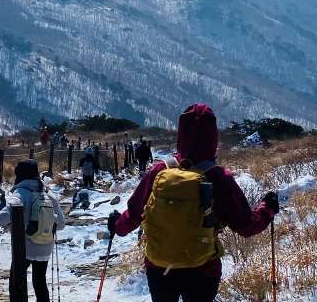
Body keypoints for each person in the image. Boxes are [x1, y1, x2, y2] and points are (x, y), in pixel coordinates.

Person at [107, 104, 279, 302]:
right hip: (203, 268)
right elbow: (247, 226)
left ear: (181, 134)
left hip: (160, 267)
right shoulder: (219, 177)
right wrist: (267, 210)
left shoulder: (159, 171)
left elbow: (134, 215)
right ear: (213, 137)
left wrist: (117, 225)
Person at [0, 159, 66, 302]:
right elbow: (61, 224)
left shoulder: (20, 194)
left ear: (21, 176)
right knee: (39, 281)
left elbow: (8, 212)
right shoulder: (48, 194)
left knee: (16, 280)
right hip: (45, 245)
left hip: (25, 247)